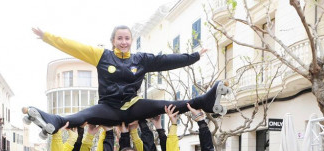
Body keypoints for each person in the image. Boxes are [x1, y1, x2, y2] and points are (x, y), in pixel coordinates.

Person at [26, 26, 229, 132]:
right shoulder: (101, 56)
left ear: (131, 41)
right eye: (119, 38)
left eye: (127, 38)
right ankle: (52, 122)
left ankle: (205, 102)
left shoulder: (140, 59)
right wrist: (47, 37)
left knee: (165, 104)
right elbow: (74, 46)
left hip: (133, 106)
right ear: (113, 41)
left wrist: (194, 56)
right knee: (83, 115)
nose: (123, 42)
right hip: (108, 108)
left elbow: (165, 60)